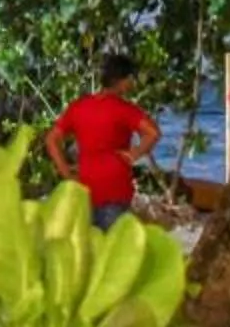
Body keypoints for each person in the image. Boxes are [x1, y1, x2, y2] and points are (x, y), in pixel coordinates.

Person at [49, 54, 158, 229]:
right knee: (114, 252)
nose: (133, 83)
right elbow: (153, 133)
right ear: (123, 80)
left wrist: (67, 174)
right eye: (131, 78)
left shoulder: (79, 106)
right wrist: (133, 154)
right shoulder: (124, 109)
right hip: (115, 190)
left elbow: (52, 140)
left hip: (85, 189)